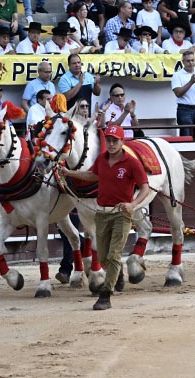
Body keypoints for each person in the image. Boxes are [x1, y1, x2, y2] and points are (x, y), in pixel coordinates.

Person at [59, 124, 150, 310]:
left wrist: (133, 204)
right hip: (102, 213)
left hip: (121, 214)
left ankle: (105, 295)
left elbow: (145, 187)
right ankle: (118, 275)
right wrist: (70, 173)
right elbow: (92, 175)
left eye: (115, 140)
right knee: (103, 255)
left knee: (114, 254)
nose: (111, 143)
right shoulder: (101, 159)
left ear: (122, 142)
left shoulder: (131, 162)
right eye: (108, 140)